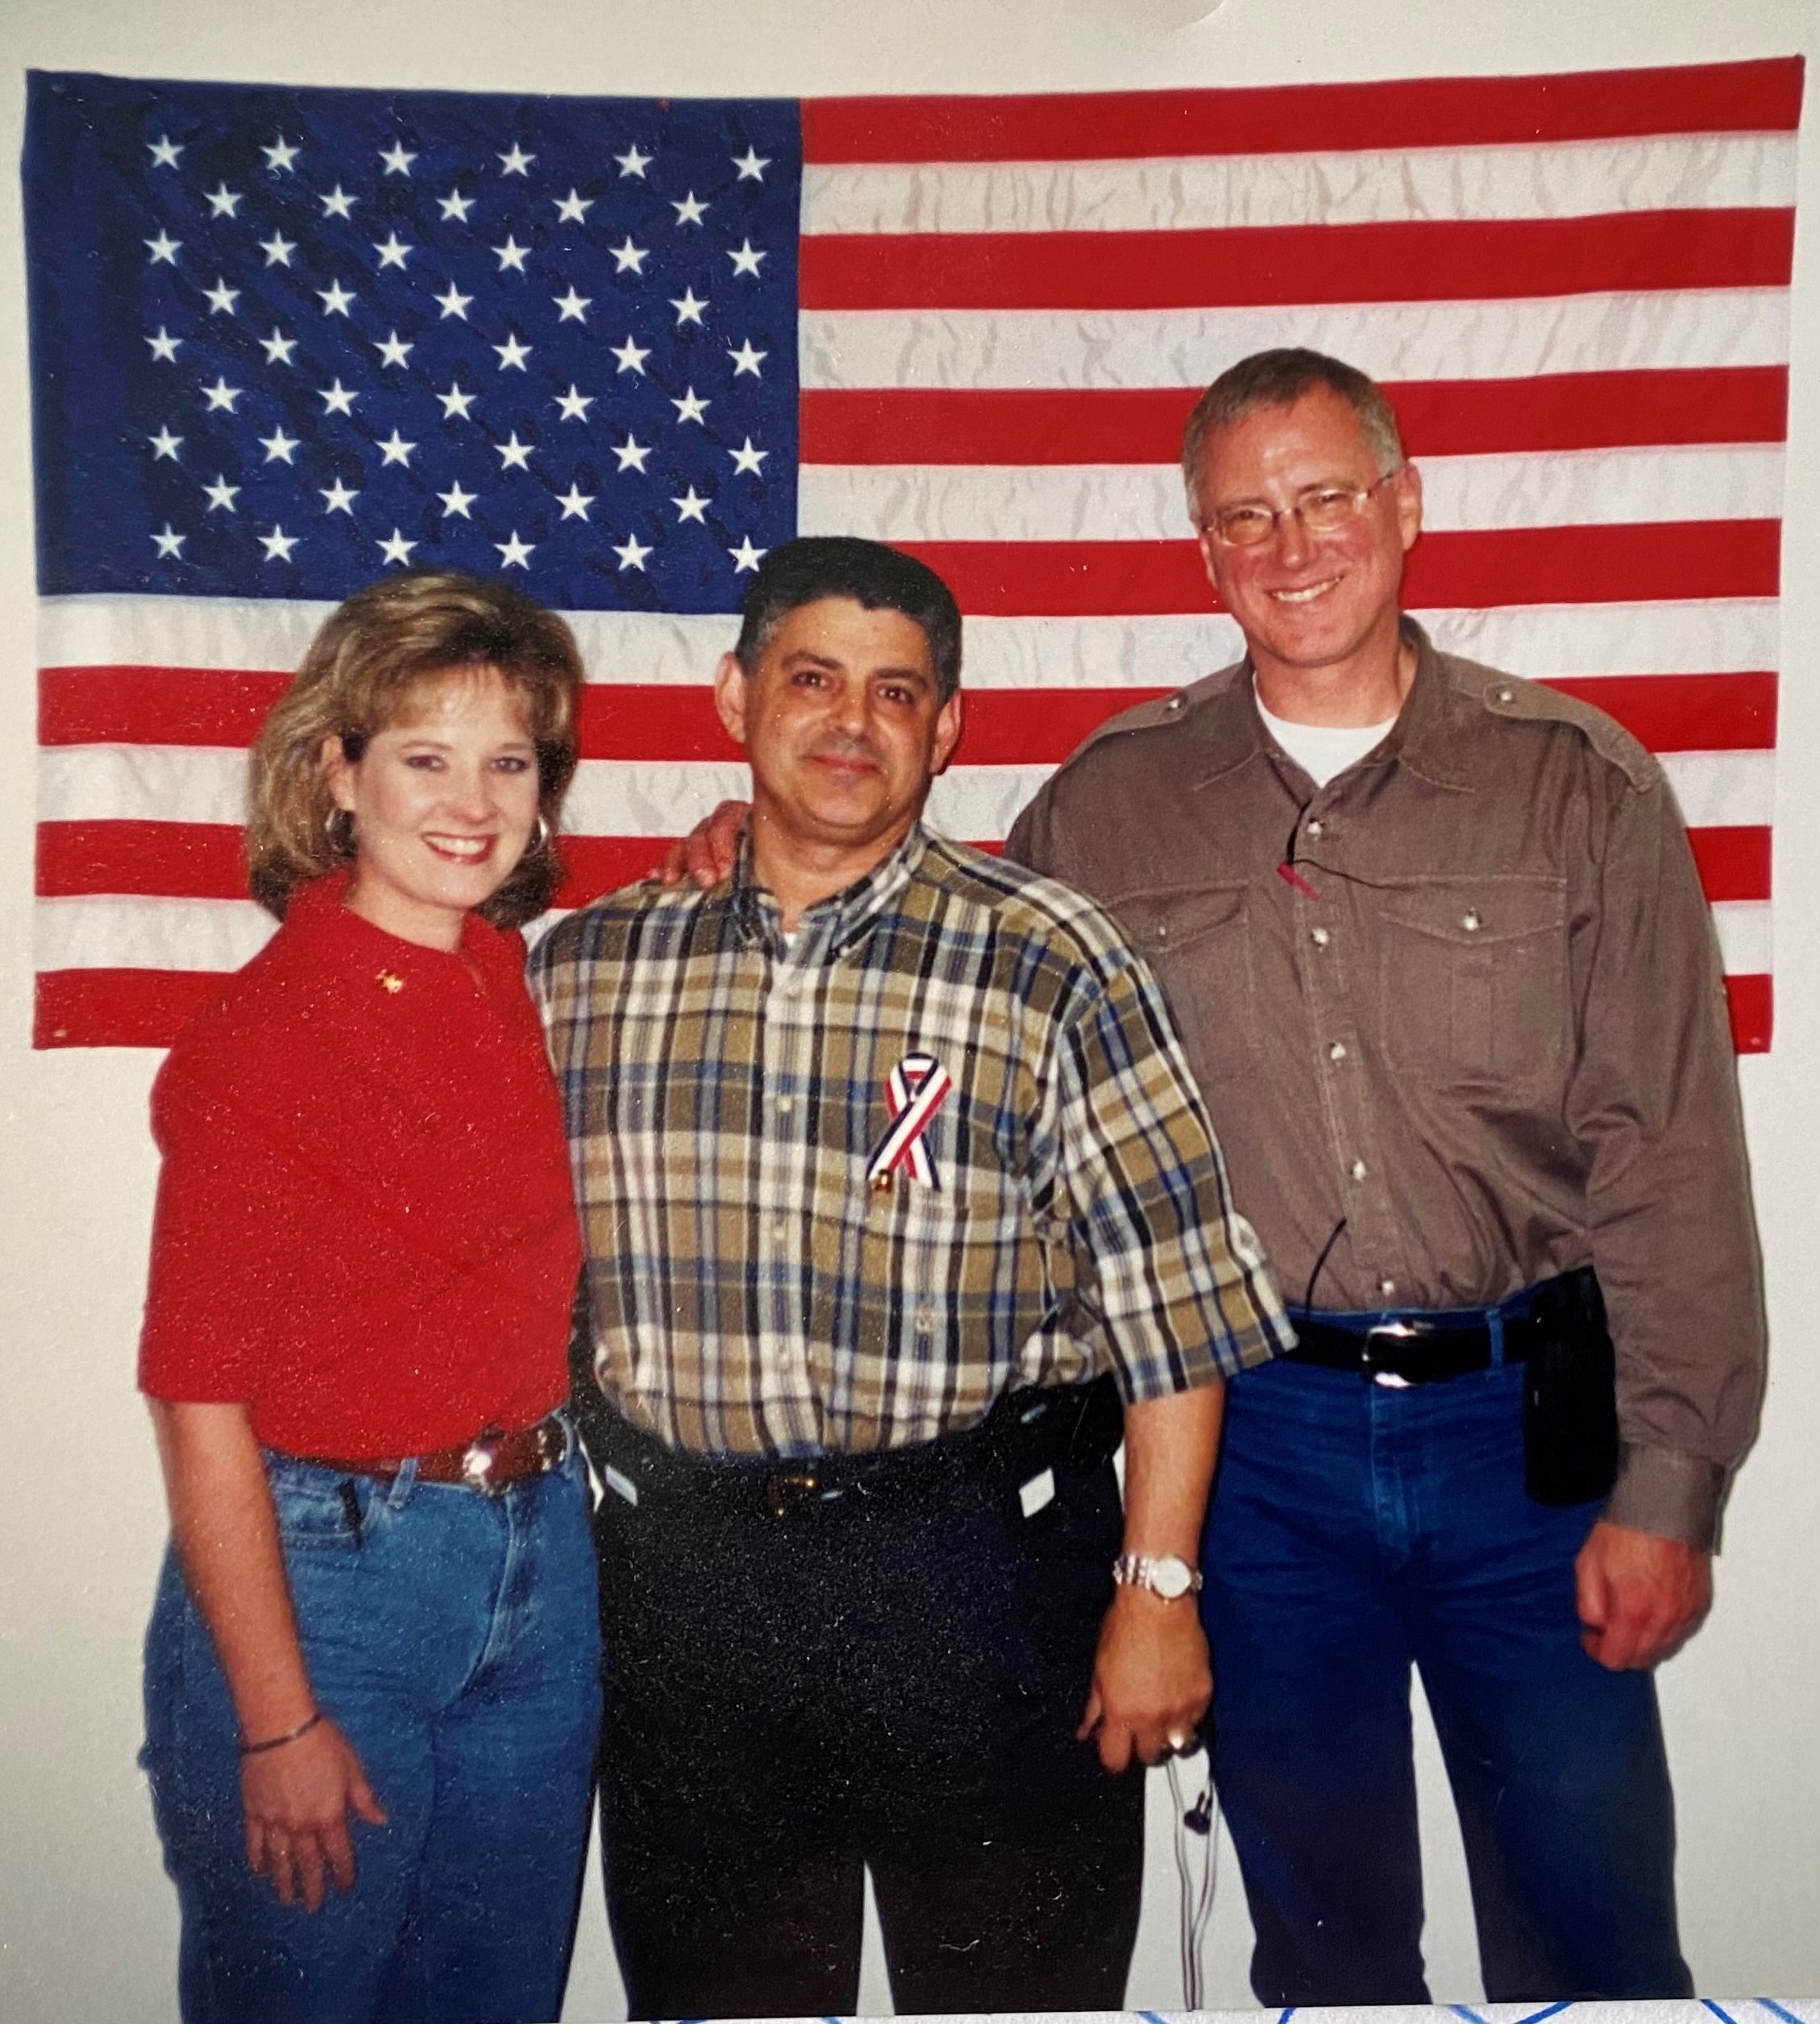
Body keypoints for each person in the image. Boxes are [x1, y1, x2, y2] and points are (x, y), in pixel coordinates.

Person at [1004, 349, 1766, 2002]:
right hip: (1256, 1453)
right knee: (1328, 1949)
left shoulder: (1576, 780)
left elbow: (1670, 1157)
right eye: (1243, 518)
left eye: (1325, 497)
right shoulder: (1104, 806)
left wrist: (1670, 1482)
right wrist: (746, 847)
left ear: (1403, 506)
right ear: (1204, 553)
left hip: (1530, 1449)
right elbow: (954, 998)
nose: (1290, 546)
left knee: (1597, 1940)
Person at [531, 535, 1292, 2019]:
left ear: (945, 730)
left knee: (1016, 1998)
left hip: (980, 1579)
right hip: (687, 1594)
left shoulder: (1049, 959)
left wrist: (1158, 1595)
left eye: (897, 692)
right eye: (810, 679)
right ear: (733, 697)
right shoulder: (585, 973)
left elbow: (1176, 1312)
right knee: (715, 2001)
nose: (849, 723)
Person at [137, 572, 602, 2024]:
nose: (470, 802)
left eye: (507, 762)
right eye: (423, 757)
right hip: (332, 1586)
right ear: (337, 775)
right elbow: (194, 1398)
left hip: (542, 1563)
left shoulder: (512, 979)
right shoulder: (260, 1042)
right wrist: (277, 1719)